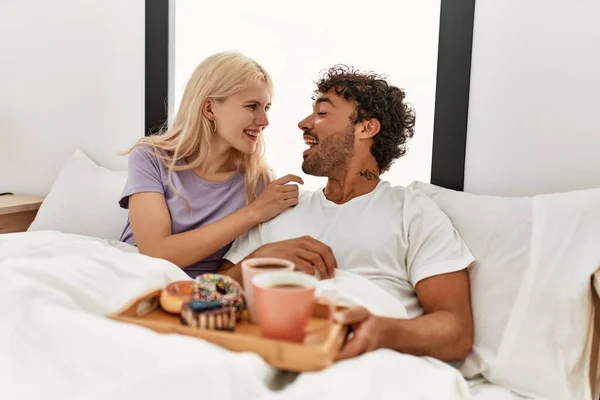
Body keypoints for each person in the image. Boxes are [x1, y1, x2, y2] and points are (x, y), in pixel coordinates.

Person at [219, 65, 475, 362]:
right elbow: (214, 291)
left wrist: (381, 332)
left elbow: (457, 332)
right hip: (266, 352)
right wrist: (261, 259)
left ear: (366, 128)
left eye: (322, 113)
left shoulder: (412, 211)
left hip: (364, 360)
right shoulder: (280, 206)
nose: (304, 123)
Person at [118, 51, 303, 277]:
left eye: (266, 108)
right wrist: (253, 213)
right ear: (209, 108)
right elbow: (155, 252)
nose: (264, 121)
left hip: (201, 297)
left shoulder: (258, 181)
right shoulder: (150, 158)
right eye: (251, 106)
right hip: (132, 278)